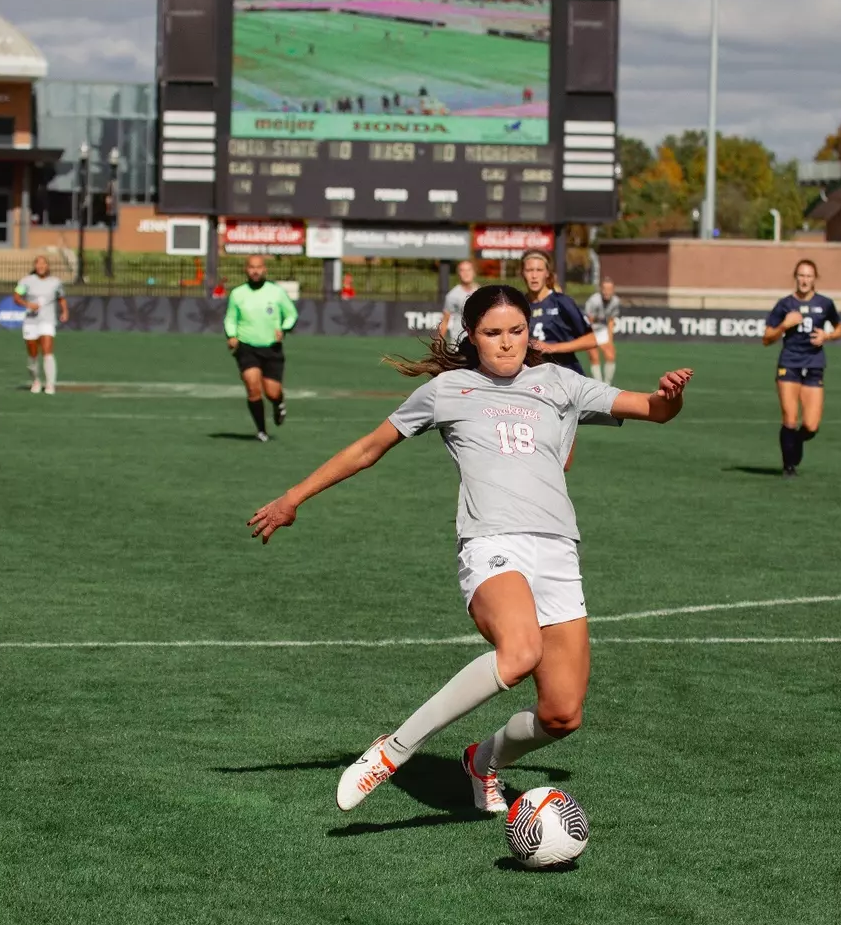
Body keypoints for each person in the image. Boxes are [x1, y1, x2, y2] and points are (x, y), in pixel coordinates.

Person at [246, 284, 693, 813]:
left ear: (531, 333)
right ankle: (393, 750)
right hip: (490, 543)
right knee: (520, 652)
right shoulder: (448, 390)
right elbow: (371, 447)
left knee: (562, 714)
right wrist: (293, 497)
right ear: (472, 336)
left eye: (516, 331)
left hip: (558, 551)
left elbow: (655, 410)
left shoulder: (561, 383)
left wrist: (670, 394)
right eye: (492, 333)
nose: (506, 343)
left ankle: (482, 761)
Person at [761, 259, 841, 477]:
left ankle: (796, 441)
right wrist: (784, 325)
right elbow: (767, 338)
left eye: (808, 276)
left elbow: (839, 328)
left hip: (814, 364)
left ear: (815, 279)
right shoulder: (785, 305)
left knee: (811, 425)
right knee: (790, 418)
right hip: (789, 364)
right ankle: (789, 465)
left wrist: (828, 336)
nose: (804, 280)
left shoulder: (825, 304)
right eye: (801, 275)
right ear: (795, 277)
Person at [224, 254, 298, 443]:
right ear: (245, 269)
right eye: (251, 267)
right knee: (252, 386)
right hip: (246, 346)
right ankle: (261, 430)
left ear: (265, 269)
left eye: (258, 267)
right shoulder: (237, 293)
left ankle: (278, 402)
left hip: (271, 348)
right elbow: (231, 318)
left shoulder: (276, 292)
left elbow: (291, 314)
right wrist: (231, 335)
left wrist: (284, 328)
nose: (255, 271)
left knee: (272, 391)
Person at [514, 249, 592, 376]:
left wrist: (552, 348)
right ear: (522, 273)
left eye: (539, 270)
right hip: (533, 378)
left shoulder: (562, 302)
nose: (534, 276)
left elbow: (592, 339)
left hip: (565, 375)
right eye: (529, 270)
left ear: (547, 273)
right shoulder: (518, 305)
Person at [13, 255, 68, 394]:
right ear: (35, 266)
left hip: (47, 320)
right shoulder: (26, 281)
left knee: (47, 351)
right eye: (38, 264)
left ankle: (50, 384)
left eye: (43, 264)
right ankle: (36, 380)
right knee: (32, 354)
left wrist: (65, 311)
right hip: (31, 321)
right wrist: (28, 304)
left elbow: (61, 298)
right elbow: (16, 297)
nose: (41, 266)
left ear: (47, 266)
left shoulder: (56, 282)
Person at [583, 277, 622, 385]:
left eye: (609, 289)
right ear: (601, 289)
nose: (606, 292)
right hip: (588, 329)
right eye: (604, 289)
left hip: (601, 329)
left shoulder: (615, 301)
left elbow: (610, 321)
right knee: (594, 356)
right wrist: (590, 340)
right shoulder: (594, 300)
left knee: (610, 355)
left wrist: (610, 340)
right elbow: (588, 321)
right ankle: (598, 385)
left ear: (613, 290)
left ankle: (607, 385)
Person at [437, 259, 475, 348]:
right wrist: (438, 344)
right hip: (458, 342)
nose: (466, 273)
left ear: (473, 272)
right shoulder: (452, 295)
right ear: (458, 274)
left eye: (469, 270)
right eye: (462, 270)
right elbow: (445, 321)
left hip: (476, 341)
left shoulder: (479, 292)